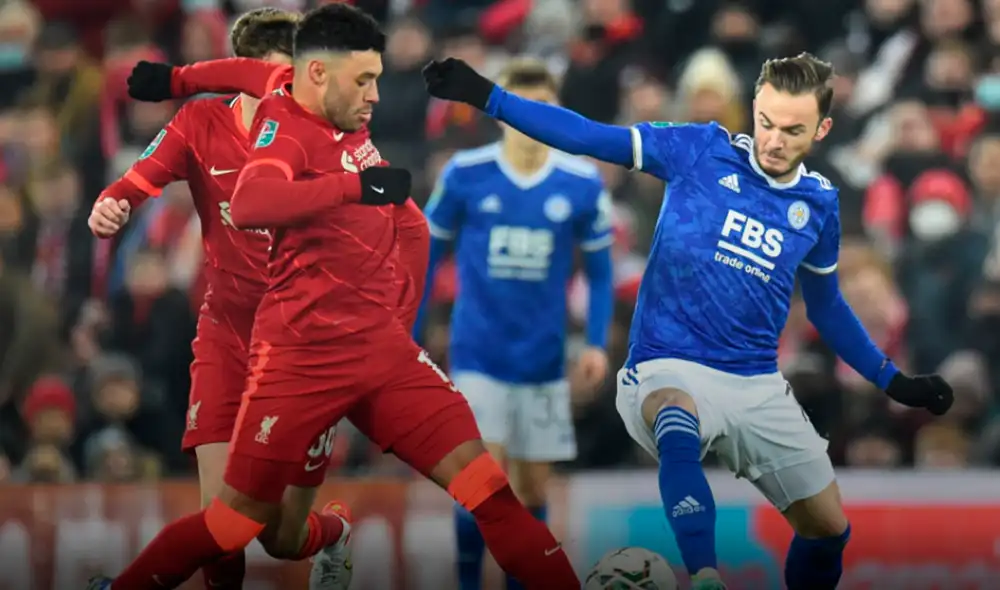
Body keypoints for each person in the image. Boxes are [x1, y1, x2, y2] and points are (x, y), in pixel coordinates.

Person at [88, 5, 579, 590]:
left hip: (382, 355)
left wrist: (176, 78)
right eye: (364, 80)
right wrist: (355, 188)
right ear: (316, 74)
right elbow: (250, 203)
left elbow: (415, 230)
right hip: (294, 358)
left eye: (376, 78)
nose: (375, 93)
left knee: (491, 492)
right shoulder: (284, 130)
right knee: (240, 527)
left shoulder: (341, 114)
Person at [423, 53, 955, 590]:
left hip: (755, 382)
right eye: (765, 122)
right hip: (665, 362)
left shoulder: (817, 204)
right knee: (675, 414)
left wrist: (894, 380)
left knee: (827, 530)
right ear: (753, 109)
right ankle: (703, 575)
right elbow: (587, 136)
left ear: (822, 128)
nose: (772, 140)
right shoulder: (699, 149)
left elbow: (828, 308)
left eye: (792, 131)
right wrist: (490, 97)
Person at [88, 9, 359, 590]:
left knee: (280, 538)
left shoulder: (330, 136)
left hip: (303, 348)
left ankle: (334, 534)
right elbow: (139, 180)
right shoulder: (199, 122)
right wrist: (110, 204)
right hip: (228, 334)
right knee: (222, 523)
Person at [415, 57, 613, 590]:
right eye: (521, 107)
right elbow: (426, 253)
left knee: (530, 494)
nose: (530, 119)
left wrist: (595, 342)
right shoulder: (465, 173)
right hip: (478, 351)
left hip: (544, 360)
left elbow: (600, 270)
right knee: (484, 485)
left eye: (542, 108)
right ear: (501, 114)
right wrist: (410, 333)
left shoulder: (581, 182)